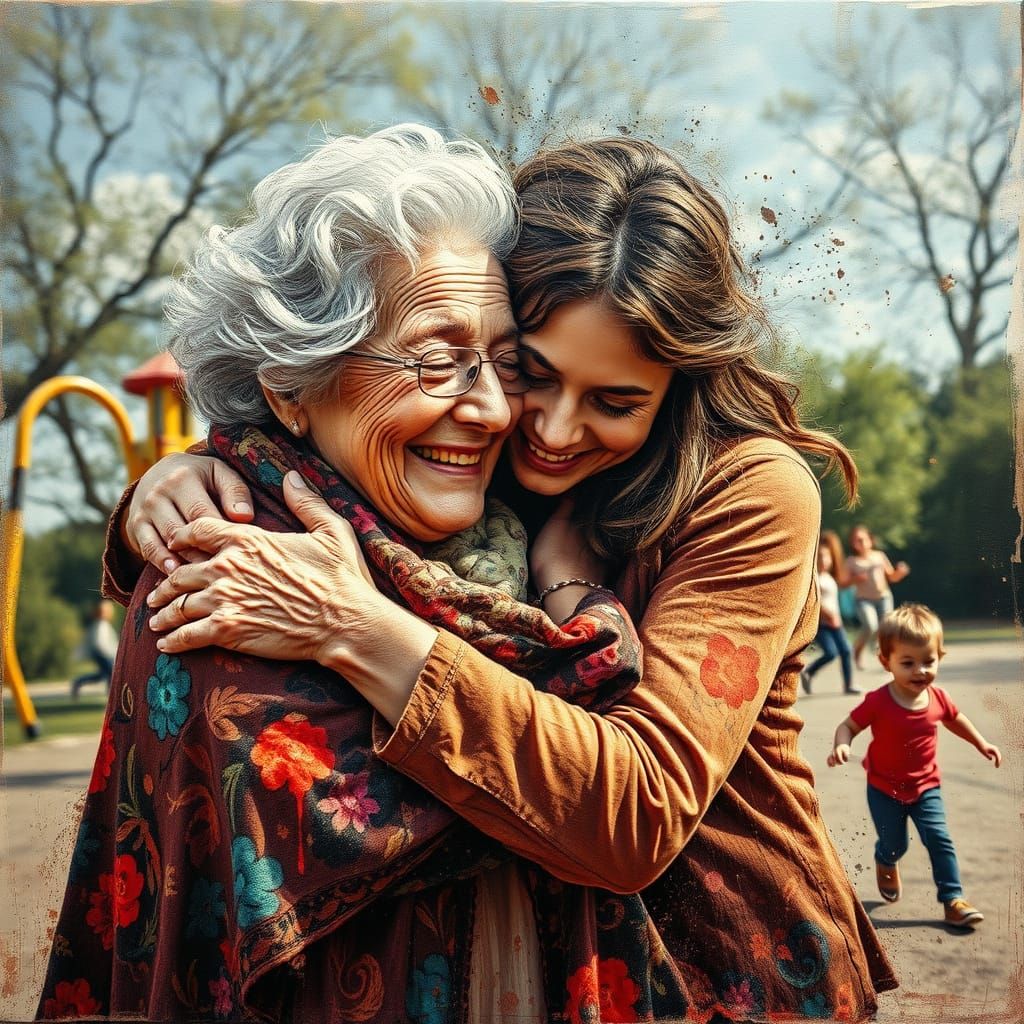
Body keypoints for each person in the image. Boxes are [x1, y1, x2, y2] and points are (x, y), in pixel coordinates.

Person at [114, 133, 899, 1020]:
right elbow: (340, 407)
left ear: (678, 384)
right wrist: (183, 473)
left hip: (736, 958)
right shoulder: (481, 463)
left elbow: (637, 808)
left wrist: (356, 624)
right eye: (531, 369)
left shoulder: (751, 492)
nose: (551, 432)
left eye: (616, 402)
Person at [39, 126, 687, 1024]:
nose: (498, 410)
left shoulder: (533, 517)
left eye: (506, 361)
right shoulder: (225, 569)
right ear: (292, 386)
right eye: (435, 358)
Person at [827, 603, 1001, 929]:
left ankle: (953, 900)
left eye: (928, 661)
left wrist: (981, 742)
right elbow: (848, 725)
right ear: (886, 662)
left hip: (925, 787)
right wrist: (842, 744)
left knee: (939, 838)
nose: (920, 671)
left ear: (940, 658)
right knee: (895, 845)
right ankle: (885, 861)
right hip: (883, 788)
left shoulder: (938, 698)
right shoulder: (878, 701)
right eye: (908, 663)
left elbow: (955, 719)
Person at [843, 523, 910, 669]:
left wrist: (901, 572)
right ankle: (857, 652)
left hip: (883, 597)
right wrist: (856, 579)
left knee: (888, 628)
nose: (859, 542)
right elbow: (843, 583)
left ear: (869, 540)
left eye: (862, 539)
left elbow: (892, 577)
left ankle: (888, 658)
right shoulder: (851, 561)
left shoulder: (879, 556)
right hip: (864, 600)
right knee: (870, 626)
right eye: (855, 540)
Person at [801, 530, 858, 695]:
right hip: (822, 624)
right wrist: (827, 614)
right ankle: (809, 672)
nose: (824, 561)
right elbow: (813, 601)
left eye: (827, 557)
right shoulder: (814, 577)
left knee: (846, 651)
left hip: (836, 622)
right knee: (831, 653)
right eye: (819, 557)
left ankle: (848, 685)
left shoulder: (829, 577)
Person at [71, 599, 119, 699]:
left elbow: (111, 642)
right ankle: (112, 696)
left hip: (103, 654)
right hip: (103, 655)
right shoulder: (100, 625)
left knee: (102, 676)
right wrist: (110, 655)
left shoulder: (102, 624)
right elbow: (100, 643)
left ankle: (79, 682)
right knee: (113, 674)